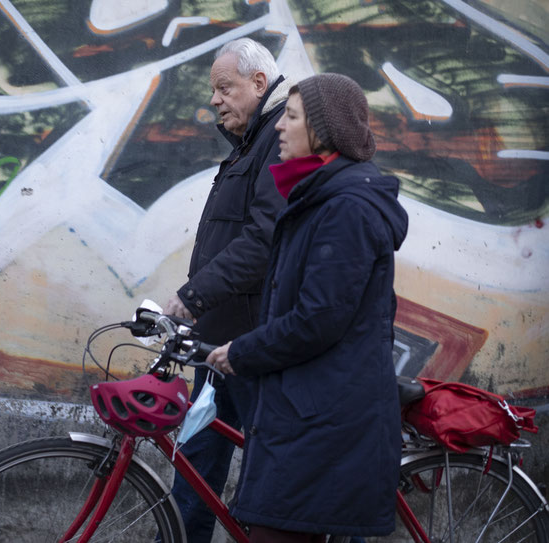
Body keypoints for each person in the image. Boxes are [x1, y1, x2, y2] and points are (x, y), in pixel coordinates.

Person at [207, 73, 408, 542]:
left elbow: (319, 318)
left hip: (323, 420)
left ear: (324, 129)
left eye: (292, 117)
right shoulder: (318, 198)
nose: (279, 126)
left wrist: (243, 351)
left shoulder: (346, 208)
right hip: (307, 410)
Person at [164, 38, 290, 542]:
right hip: (219, 344)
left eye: (224, 87)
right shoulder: (251, 140)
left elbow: (264, 240)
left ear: (258, 84)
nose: (215, 100)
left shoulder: (280, 140)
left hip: (251, 346)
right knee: (195, 466)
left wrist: (193, 296)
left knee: (283, 477)